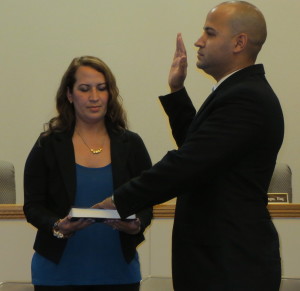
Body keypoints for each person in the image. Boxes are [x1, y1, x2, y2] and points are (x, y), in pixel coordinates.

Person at [98, 1, 284, 291]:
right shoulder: (238, 92)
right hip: (221, 263)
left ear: (239, 42)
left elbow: (188, 164)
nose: (199, 41)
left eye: (209, 33)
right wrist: (177, 92)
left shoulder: (246, 98)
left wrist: (118, 201)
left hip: (231, 266)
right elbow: (202, 154)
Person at [23, 56, 152, 291]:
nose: (94, 97)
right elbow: (32, 207)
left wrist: (138, 224)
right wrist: (57, 226)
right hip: (56, 275)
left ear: (110, 94)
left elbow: (146, 201)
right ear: (69, 95)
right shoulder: (48, 145)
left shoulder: (131, 144)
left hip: (119, 274)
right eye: (85, 89)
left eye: (102, 89)